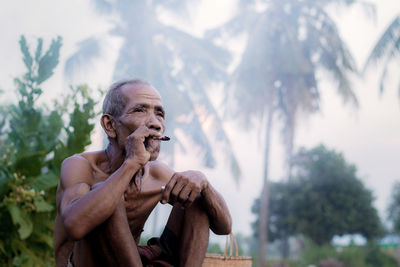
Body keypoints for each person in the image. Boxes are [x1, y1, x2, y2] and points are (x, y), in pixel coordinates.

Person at [54, 79, 232, 267]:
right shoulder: (79, 166)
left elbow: (224, 227)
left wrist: (203, 183)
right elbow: (75, 226)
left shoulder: (157, 174)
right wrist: (131, 163)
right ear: (110, 125)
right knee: (106, 194)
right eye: (139, 110)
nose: (155, 123)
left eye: (159, 114)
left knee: (196, 196)